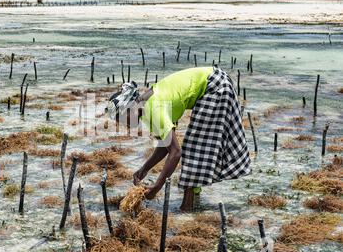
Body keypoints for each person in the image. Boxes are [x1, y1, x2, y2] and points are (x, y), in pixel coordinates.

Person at [107, 66, 251, 212]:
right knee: (196, 147)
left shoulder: (152, 109)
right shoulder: (146, 104)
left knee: (193, 148)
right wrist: (144, 169)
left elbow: (175, 152)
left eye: (121, 118)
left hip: (215, 86)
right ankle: (193, 203)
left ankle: (187, 206)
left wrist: (157, 186)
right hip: (216, 80)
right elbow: (166, 145)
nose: (123, 124)